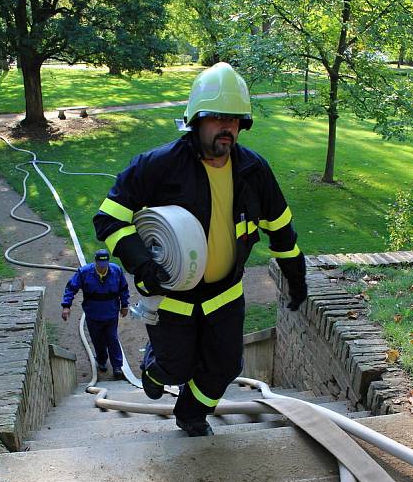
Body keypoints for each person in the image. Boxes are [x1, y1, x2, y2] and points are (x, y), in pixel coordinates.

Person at [93, 62, 307, 436]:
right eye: (218, 118)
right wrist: (142, 265)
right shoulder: (157, 166)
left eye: (235, 120)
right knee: (176, 367)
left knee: (224, 367)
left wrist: (295, 275)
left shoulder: (254, 171)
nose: (228, 128)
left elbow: (280, 227)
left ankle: (191, 414)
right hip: (171, 295)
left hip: (225, 293)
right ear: (196, 121)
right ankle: (155, 368)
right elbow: (108, 219)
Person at [61, 248, 130, 380]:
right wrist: (66, 306)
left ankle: (117, 366)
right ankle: (102, 360)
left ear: (108, 263)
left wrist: (125, 305)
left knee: (112, 339)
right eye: (100, 266)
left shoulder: (116, 271)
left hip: (111, 313)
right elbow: (71, 288)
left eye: (105, 266)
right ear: (95, 262)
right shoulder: (84, 273)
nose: (103, 268)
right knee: (98, 340)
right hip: (93, 315)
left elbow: (123, 289)